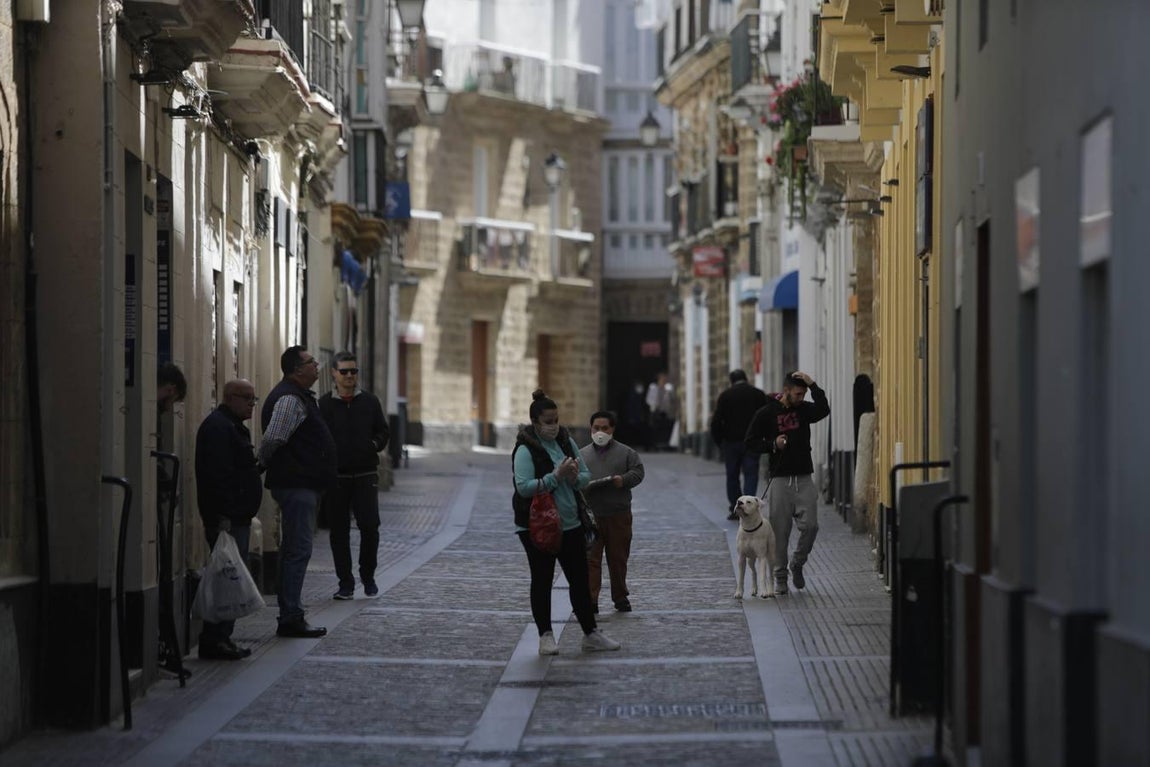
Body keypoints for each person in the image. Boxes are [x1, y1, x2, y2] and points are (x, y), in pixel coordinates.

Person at [513, 390, 621, 655]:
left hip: (570, 523)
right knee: (542, 579)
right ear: (535, 422)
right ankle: (545, 636)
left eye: (556, 419)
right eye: (548, 421)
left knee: (579, 579)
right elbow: (524, 487)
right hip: (537, 526)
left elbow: (585, 475)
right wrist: (555, 475)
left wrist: (574, 477)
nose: (553, 426)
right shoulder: (525, 449)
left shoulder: (565, 441)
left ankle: (590, 633)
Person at [259, 346, 338, 638]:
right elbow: (275, 437)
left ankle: (290, 611)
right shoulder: (290, 398)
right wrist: (263, 461)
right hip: (296, 485)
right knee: (298, 550)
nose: (317, 366)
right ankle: (291, 615)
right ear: (296, 369)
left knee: (294, 549)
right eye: (311, 362)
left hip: (301, 484)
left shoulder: (299, 396)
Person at [194, 379, 263, 660]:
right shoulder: (219, 428)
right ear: (230, 397)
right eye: (247, 398)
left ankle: (222, 637)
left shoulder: (231, 427)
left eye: (253, 399)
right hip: (228, 519)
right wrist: (223, 515)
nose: (251, 404)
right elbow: (217, 477)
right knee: (226, 579)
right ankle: (215, 638)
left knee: (230, 576)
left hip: (237, 516)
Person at [744, 371, 830, 594]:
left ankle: (798, 563)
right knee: (780, 533)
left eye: (803, 393)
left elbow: (824, 409)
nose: (802, 398)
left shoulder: (804, 410)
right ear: (786, 391)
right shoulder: (766, 412)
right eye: (798, 394)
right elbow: (750, 442)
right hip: (780, 479)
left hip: (803, 477)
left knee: (811, 526)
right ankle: (780, 576)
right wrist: (773, 444)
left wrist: (813, 384)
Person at [319, 352, 389, 600]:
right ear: (334, 373)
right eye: (345, 371)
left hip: (365, 475)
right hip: (337, 477)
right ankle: (345, 583)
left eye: (354, 371)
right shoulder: (324, 404)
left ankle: (368, 576)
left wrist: (373, 444)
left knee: (370, 527)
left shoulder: (370, 402)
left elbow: (383, 431)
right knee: (339, 532)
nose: (350, 376)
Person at [579, 410, 645, 614]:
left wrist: (622, 481)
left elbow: (638, 472)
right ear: (591, 429)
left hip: (618, 514)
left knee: (618, 558)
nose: (600, 432)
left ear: (612, 429)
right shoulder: (581, 454)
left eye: (604, 428)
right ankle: (591, 599)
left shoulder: (627, 453)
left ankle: (620, 596)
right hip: (592, 516)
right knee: (591, 559)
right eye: (596, 428)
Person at [710, 369, 770, 521]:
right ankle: (748, 506)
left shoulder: (725, 396)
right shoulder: (757, 394)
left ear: (731, 381)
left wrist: (719, 442)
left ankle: (735, 507)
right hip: (752, 441)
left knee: (732, 476)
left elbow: (716, 422)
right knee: (751, 473)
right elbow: (767, 417)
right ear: (746, 378)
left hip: (731, 443)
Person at [646, 372, 675, 450]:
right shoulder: (654, 387)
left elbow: (671, 399)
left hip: (664, 411)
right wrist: (654, 406)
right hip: (655, 411)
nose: (664, 380)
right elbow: (649, 399)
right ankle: (653, 445)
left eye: (665, 379)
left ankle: (663, 444)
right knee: (654, 428)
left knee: (665, 427)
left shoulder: (667, 388)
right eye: (662, 379)